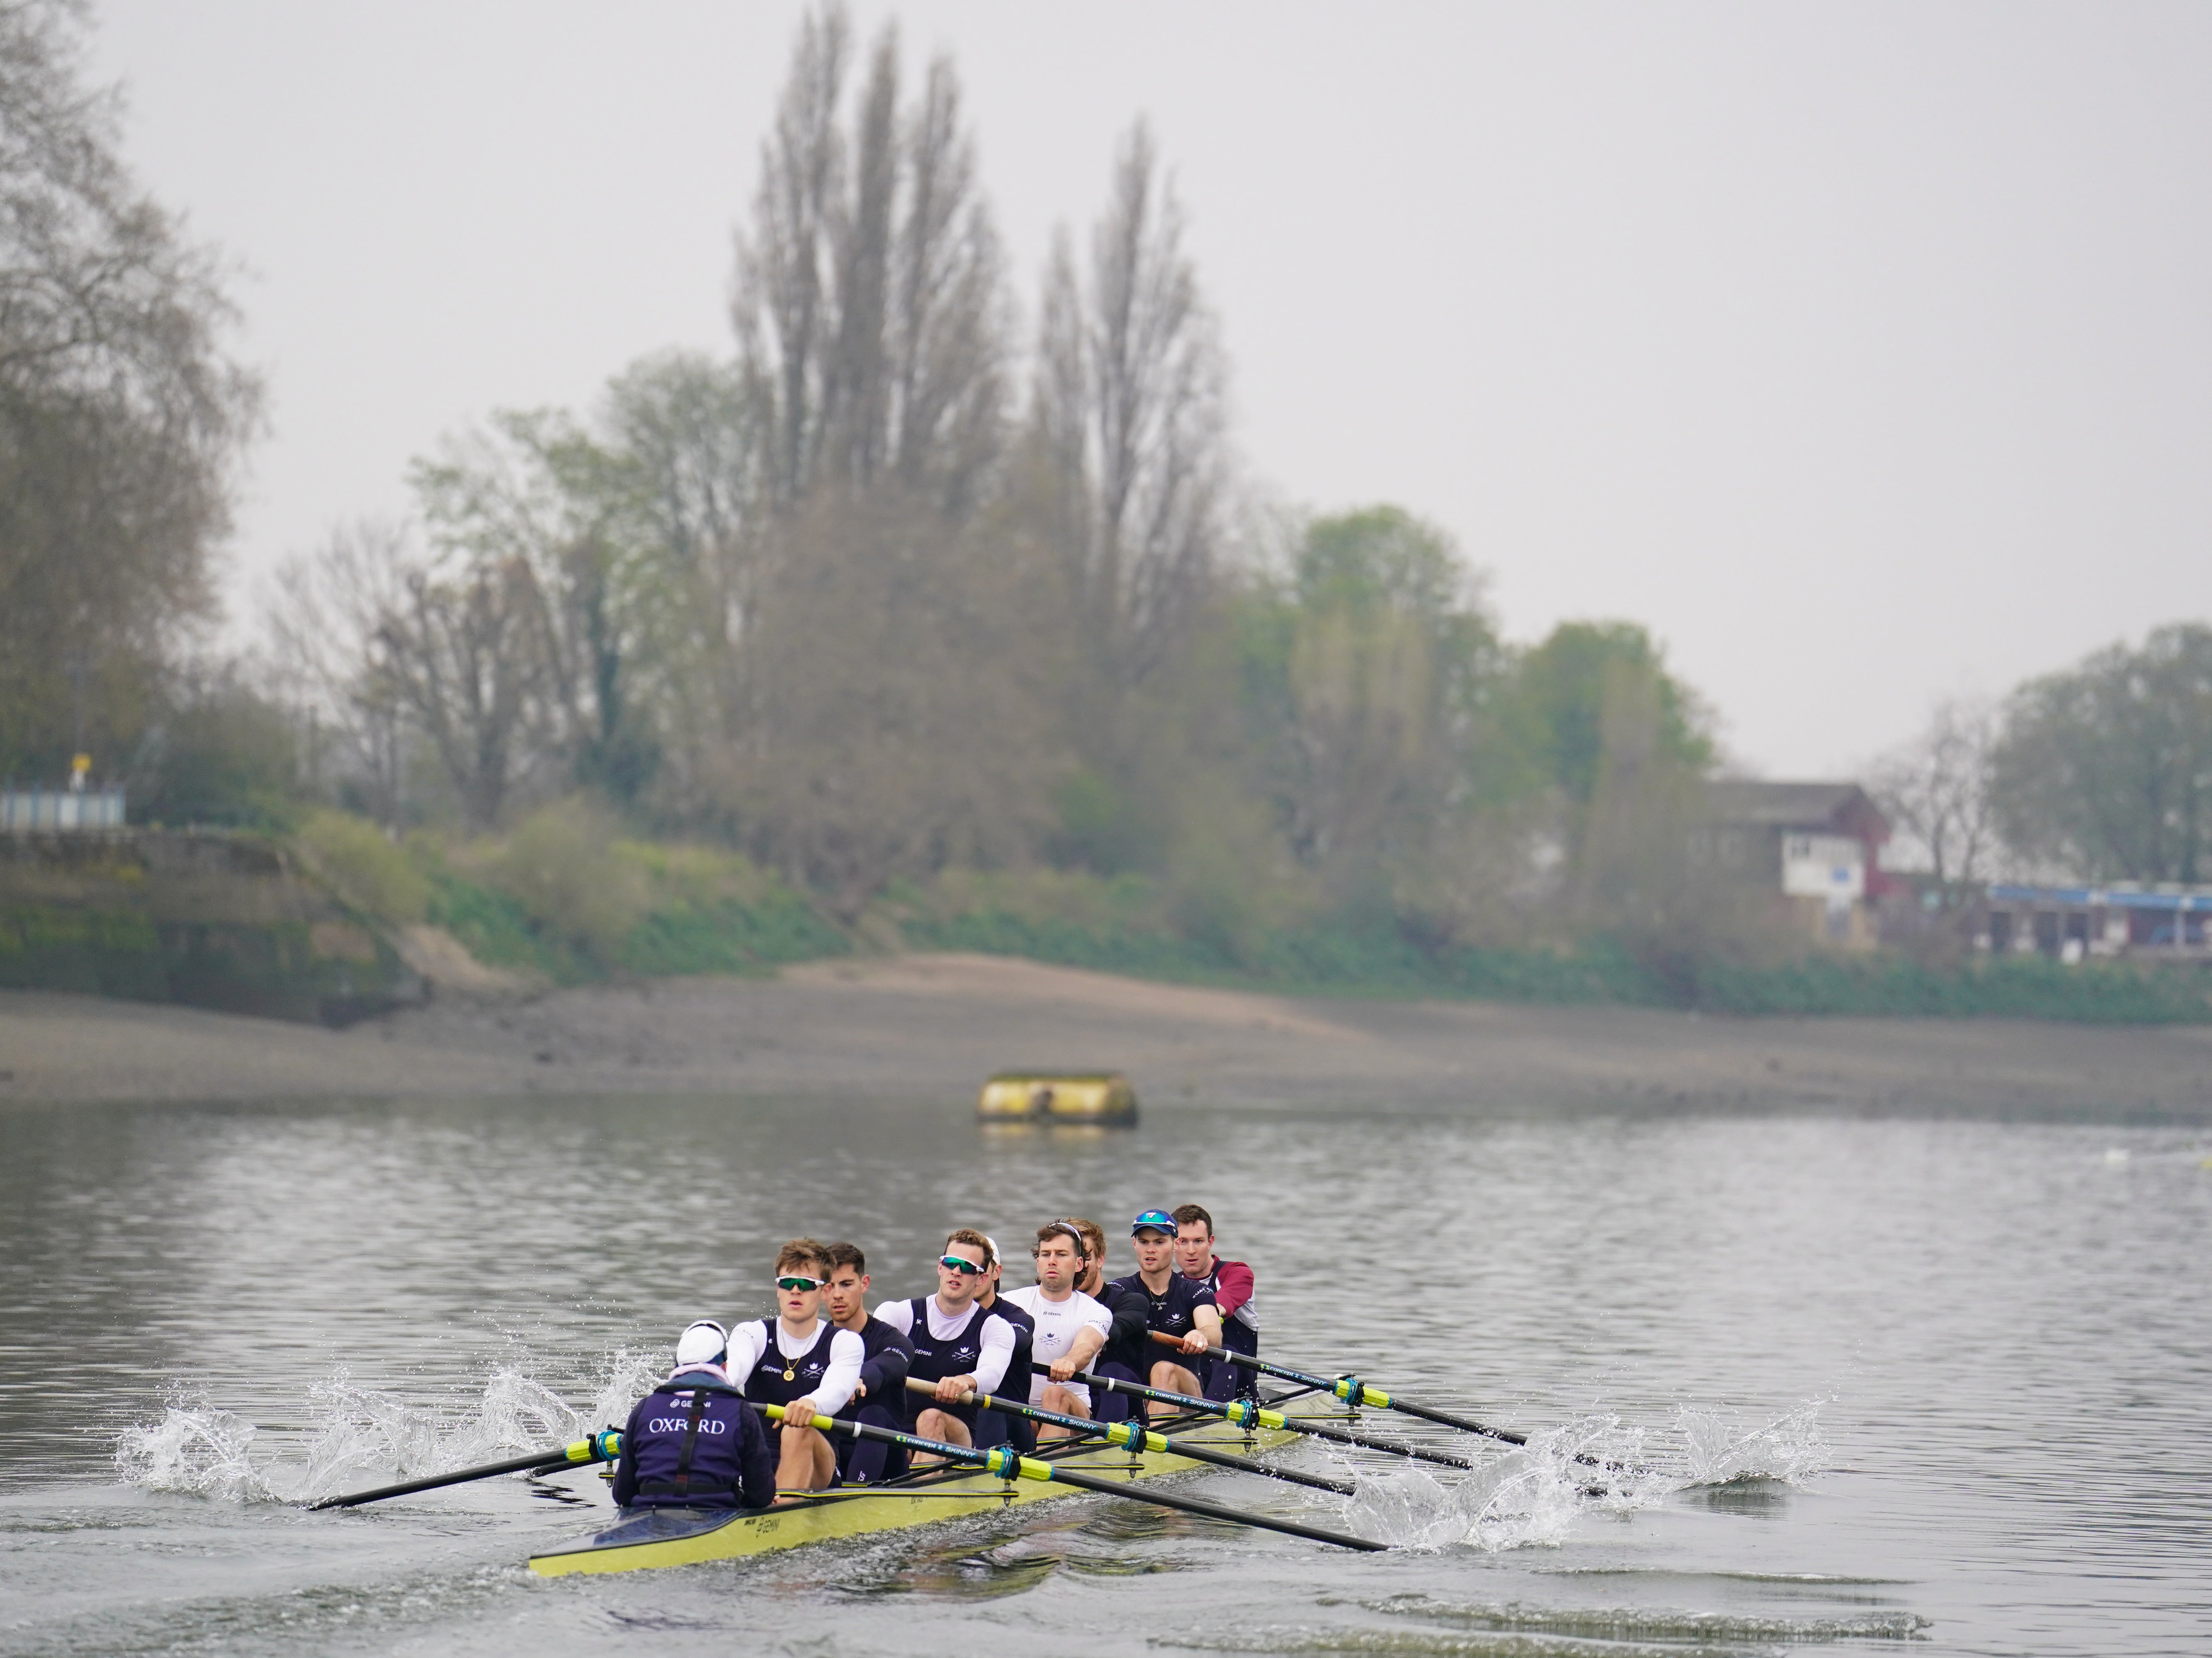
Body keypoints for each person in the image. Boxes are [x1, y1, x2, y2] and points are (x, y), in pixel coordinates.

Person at [728, 1239, 865, 1493]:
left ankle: (777, 1515)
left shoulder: (845, 1342)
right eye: (788, 1283)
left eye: (805, 1285)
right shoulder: (751, 1333)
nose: (795, 1291)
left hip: (819, 1466)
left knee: (797, 1428)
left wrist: (811, 1403)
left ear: (824, 1292)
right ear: (778, 1290)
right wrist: (714, 1386)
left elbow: (838, 1389)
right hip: (758, 1462)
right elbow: (733, 1371)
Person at [874, 1227, 1016, 1457]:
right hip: (900, 1431)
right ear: (940, 1267)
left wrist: (965, 1381)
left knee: (931, 1418)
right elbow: (871, 1352)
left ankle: (920, 1491)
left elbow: (992, 1375)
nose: (957, 1272)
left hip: (957, 1435)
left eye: (968, 1268)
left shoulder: (994, 1327)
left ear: (982, 1279)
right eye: (951, 1263)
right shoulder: (898, 1313)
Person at [611, 1320, 777, 1511]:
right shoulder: (741, 1411)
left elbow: (622, 1494)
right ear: (724, 1367)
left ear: (677, 1366)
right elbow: (761, 1496)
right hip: (717, 1517)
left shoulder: (645, 1408)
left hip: (645, 1517)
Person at [998, 1220, 1113, 1440]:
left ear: (1079, 1264)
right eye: (1045, 1254)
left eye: (1061, 1255)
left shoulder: (1096, 1311)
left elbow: (1087, 1347)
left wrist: (1069, 1361)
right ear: (1038, 1262)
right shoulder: (1010, 1302)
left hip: (1075, 1413)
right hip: (1022, 1413)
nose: (1052, 1261)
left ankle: (1040, 1465)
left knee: (1055, 1394)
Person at [1101, 1208, 1222, 1401]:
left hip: (1188, 1395)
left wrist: (1201, 1334)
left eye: (1159, 1242)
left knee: (1163, 1370)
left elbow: (1213, 1333)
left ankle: (1154, 1428)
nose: (1150, 1249)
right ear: (1134, 1244)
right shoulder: (1118, 1290)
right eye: (1144, 1242)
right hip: (1137, 1395)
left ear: (1176, 1244)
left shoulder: (1195, 1292)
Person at [821, 1240, 914, 1486]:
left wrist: (855, 1381)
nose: (837, 1295)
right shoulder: (815, 1342)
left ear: (864, 1284)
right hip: (835, 1456)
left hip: (888, 1465)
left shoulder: (893, 1340)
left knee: (874, 1414)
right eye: (830, 1286)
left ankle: (853, 1499)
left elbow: (885, 1367)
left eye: (846, 1284)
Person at [1070, 1215, 1151, 1425]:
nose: (1078, 1266)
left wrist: (1093, 1341)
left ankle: (1104, 1446)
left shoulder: (1130, 1302)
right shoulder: (1044, 1308)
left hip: (1127, 1413)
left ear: (1101, 1260)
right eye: (1070, 1256)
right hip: (1073, 1408)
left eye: (1086, 1257)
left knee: (1112, 1371)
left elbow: (1115, 1328)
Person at [1173, 1202, 1258, 1402]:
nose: (1191, 1250)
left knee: (1226, 1353)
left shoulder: (1237, 1273)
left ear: (1210, 1242)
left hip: (1240, 1392)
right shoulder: (1170, 1286)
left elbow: (1219, 1304)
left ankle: (1211, 1422)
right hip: (1191, 1389)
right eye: (1183, 1242)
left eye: (1199, 1241)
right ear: (1173, 1244)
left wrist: (1202, 1327)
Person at [972, 1236, 1037, 1454]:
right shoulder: (932, 1316)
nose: (969, 1276)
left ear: (996, 1272)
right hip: (956, 1422)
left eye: (979, 1269)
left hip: (1012, 1429)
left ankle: (985, 1477)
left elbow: (1012, 1341)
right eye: (959, 1267)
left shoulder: (1018, 1319)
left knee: (988, 1404)